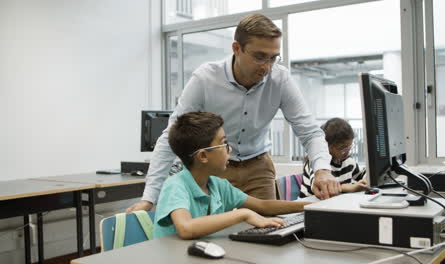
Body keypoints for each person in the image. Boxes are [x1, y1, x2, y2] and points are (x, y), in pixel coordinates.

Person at [126, 13, 340, 213]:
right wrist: (149, 198)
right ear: (237, 48)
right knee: (214, 237)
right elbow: (170, 137)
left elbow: (310, 133)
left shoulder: (280, 79)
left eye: (273, 58)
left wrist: (322, 169)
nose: (267, 67)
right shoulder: (205, 79)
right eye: (259, 57)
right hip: (214, 170)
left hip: (259, 167)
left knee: (268, 234)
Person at [153, 112, 312, 239]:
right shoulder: (176, 185)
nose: (229, 150)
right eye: (224, 144)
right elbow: (186, 228)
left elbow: (262, 206)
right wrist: (242, 214)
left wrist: (310, 207)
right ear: (203, 156)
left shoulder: (217, 185)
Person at [300, 118, 367, 198]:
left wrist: (367, 178)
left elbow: (361, 176)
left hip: (333, 204)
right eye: (342, 148)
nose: (347, 152)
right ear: (328, 146)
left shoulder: (349, 162)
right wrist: (350, 187)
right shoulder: (317, 163)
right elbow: (322, 188)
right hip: (309, 205)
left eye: (349, 147)